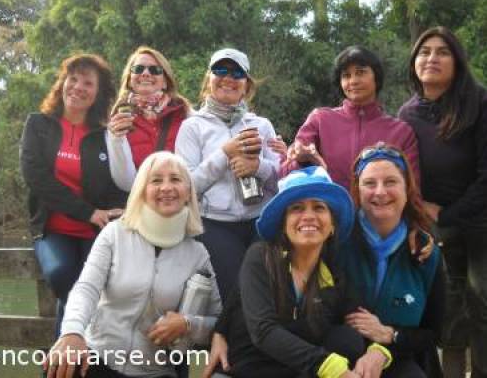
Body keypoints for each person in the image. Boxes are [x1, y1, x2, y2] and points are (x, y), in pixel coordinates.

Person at [202, 166, 394, 378]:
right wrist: (333, 369)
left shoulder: (334, 277)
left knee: (348, 340)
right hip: (240, 372)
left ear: (332, 226)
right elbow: (264, 331)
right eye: (297, 208)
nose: (308, 216)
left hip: (295, 373)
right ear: (283, 225)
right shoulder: (261, 257)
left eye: (319, 207)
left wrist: (378, 352)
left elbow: (365, 324)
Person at [45, 151, 222, 378]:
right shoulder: (115, 233)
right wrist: (71, 332)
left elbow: (218, 319)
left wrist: (188, 324)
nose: (166, 187)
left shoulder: (197, 254)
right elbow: (86, 288)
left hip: (155, 371)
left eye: (175, 179)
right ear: (142, 191)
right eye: (156, 180)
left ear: (188, 192)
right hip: (97, 359)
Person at [398, 26, 487, 378]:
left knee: (482, 300)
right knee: (447, 305)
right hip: (436, 224)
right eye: (424, 52)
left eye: (442, 52)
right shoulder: (408, 114)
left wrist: (450, 213)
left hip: (481, 220)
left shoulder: (480, 103)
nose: (431, 58)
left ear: (457, 61)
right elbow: (404, 171)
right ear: (414, 62)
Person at [20, 54, 128, 337]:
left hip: (95, 230)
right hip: (54, 229)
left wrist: (121, 210)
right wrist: (87, 212)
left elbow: (113, 184)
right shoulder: (38, 125)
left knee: (102, 284)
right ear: (63, 83)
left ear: (98, 93)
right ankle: (75, 354)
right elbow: (37, 178)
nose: (78, 87)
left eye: (88, 83)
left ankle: (66, 361)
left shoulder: (102, 135)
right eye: (74, 79)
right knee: (61, 275)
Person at [175, 48, 281, 302]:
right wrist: (224, 154)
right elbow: (187, 187)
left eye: (237, 73)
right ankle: (230, 341)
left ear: (247, 85)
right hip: (214, 223)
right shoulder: (192, 126)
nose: (228, 78)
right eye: (220, 70)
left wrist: (258, 167)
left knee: (265, 292)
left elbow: (282, 178)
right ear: (208, 79)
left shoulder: (262, 125)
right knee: (235, 292)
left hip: (260, 220)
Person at [341, 142, 445, 377]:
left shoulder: (426, 252)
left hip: (400, 357)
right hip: (340, 359)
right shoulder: (336, 242)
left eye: (390, 182)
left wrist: (389, 338)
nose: (380, 192)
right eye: (369, 183)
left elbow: (433, 333)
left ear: (407, 188)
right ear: (357, 189)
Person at [282, 45, 419, 190]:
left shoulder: (401, 132)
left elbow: (412, 188)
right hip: (331, 210)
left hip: (381, 210)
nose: (353, 81)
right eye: (346, 75)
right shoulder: (320, 120)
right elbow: (285, 174)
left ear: (376, 77)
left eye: (360, 72)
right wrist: (302, 161)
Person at [106, 46, 191, 191]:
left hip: (179, 202)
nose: (145, 73)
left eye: (155, 70)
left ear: (165, 81)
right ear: (129, 79)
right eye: (138, 69)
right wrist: (116, 140)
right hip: (140, 204)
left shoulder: (187, 115)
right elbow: (125, 183)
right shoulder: (116, 120)